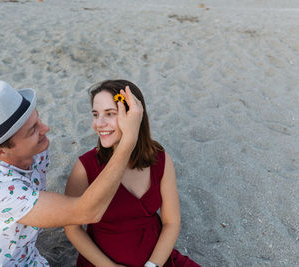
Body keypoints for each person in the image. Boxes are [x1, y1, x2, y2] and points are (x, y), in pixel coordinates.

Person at [0, 80, 143, 266]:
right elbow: (87, 212)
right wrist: (128, 142)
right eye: (32, 131)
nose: (45, 129)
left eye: (38, 118)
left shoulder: (35, 150)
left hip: (26, 257)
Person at [64, 80, 201, 267]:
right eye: (95, 115)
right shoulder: (85, 167)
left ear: (134, 116)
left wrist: (153, 265)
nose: (99, 124)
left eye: (110, 114)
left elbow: (171, 222)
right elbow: (72, 228)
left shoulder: (160, 159)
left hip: (158, 259)